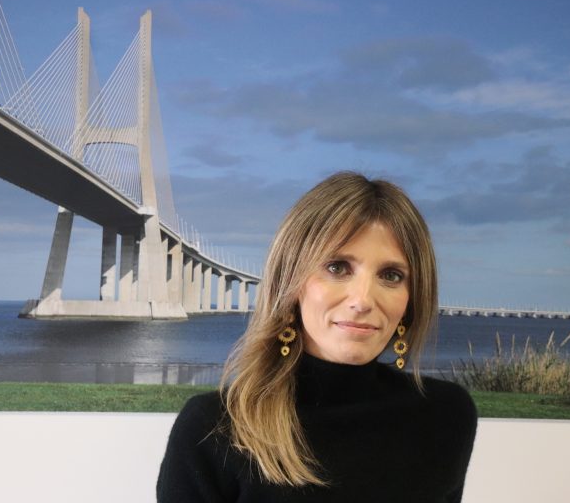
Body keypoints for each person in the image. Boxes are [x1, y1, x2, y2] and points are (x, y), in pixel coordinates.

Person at [157, 172, 477, 502]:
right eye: (337, 268)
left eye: (391, 276)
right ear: (291, 283)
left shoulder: (447, 415)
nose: (363, 300)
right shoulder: (213, 428)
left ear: (411, 299)